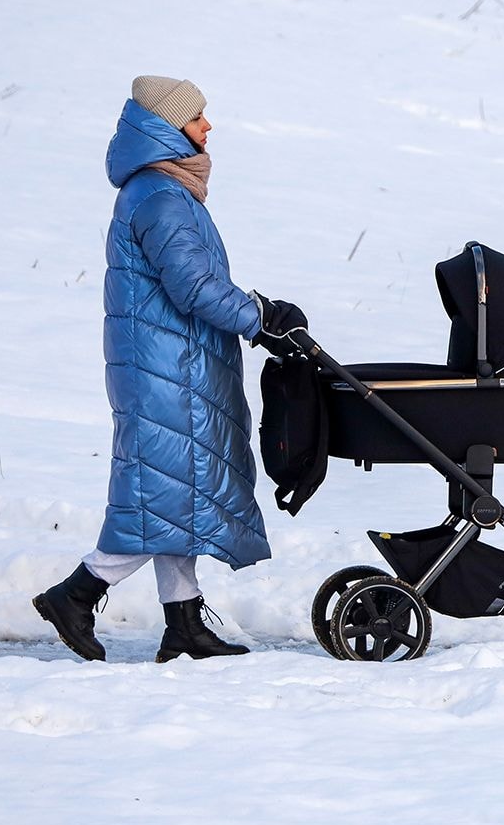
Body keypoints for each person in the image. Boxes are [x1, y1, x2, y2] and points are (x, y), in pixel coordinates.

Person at [33, 75, 308, 662]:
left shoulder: (163, 192)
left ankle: (183, 627)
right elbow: (193, 286)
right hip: (169, 370)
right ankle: (76, 594)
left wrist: (260, 314)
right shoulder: (159, 195)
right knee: (161, 495)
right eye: (198, 118)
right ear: (166, 127)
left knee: (174, 492)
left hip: (172, 364)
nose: (208, 128)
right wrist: (260, 318)